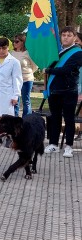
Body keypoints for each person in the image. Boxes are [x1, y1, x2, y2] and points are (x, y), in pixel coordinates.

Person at [44, 26, 82, 158]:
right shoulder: (58, 52)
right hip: (55, 90)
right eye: (63, 35)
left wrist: (48, 70)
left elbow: (66, 70)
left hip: (69, 91)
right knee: (55, 118)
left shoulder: (78, 52)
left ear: (74, 37)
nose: (66, 37)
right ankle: (53, 144)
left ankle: (69, 146)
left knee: (69, 119)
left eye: (69, 35)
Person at [10, 33, 38, 118]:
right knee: (15, 100)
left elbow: (35, 66)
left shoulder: (27, 53)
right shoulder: (11, 53)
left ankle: (26, 119)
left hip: (26, 79)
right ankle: (15, 119)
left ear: (22, 42)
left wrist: (27, 73)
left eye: (17, 41)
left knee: (26, 100)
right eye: (13, 41)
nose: (14, 43)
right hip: (15, 80)